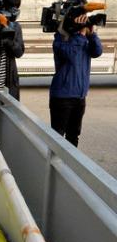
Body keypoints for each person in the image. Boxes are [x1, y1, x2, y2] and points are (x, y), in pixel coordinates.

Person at [49, 14, 102, 147]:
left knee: (73, 135)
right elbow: (70, 54)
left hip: (80, 97)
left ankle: (69, 167)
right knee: (57, 136)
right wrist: (81, 35)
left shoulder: (84, 40)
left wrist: (92, 34)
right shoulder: (61, 39)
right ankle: (54, 166)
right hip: (62, 97)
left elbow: (97, 51)